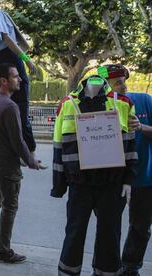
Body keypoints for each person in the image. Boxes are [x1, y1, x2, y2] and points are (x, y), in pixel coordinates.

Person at [51, 74, 137, 275]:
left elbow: (131, 145)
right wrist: (59, 184)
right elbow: (58, 146)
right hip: (79, 184)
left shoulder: (123, 104)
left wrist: (128, 180)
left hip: (112, 185)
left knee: (110, 236)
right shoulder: (67, 104)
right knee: (74, 234)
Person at [0, 63, 39, 264]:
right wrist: (30, 161)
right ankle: (3, 251)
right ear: (4, 81)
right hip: (4, 164)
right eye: (15, 76)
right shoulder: (10, 106)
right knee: (9, 205)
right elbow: (17, 141)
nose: (20, 79)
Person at [101, 64, 152, 276]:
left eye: (123, 82)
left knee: (141, 227)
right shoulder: (100, 107)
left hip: (144, 177)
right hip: (113, 179)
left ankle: (130, 266)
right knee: (109, 226)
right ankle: (107, 265)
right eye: (116, 84)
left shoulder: (144, 100)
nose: (122, 87)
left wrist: (141, 127)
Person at [0, 3, 43, 167]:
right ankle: (28, 152)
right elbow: (6, 37)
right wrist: (26, 59)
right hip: (9, 57)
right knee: (21, 105)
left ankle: (14, 150)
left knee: (6, 104)